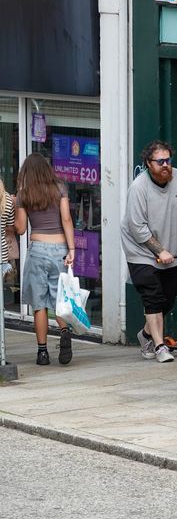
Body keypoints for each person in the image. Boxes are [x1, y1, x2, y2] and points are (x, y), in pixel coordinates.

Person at [121, 141, 177, 363]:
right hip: (141, 251)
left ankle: (146, 334)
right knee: (153, 297)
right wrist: (159, 251)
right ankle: (159, 346)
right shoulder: (139, 188)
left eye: (168, 160)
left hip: (169, 249)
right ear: (149, 163)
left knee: (168, 298)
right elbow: (138, 228)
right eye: (160, 161)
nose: (166, 165)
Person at [14, 154, 75, 366]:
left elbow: (21, 229)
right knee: (59, 300)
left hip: (38, 248)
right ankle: (65, 331)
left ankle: (42, 353)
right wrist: (72, 249)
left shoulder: (23, 194)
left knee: (40, 304)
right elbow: (66, 219)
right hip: (59, 247)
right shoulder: (60, 188)